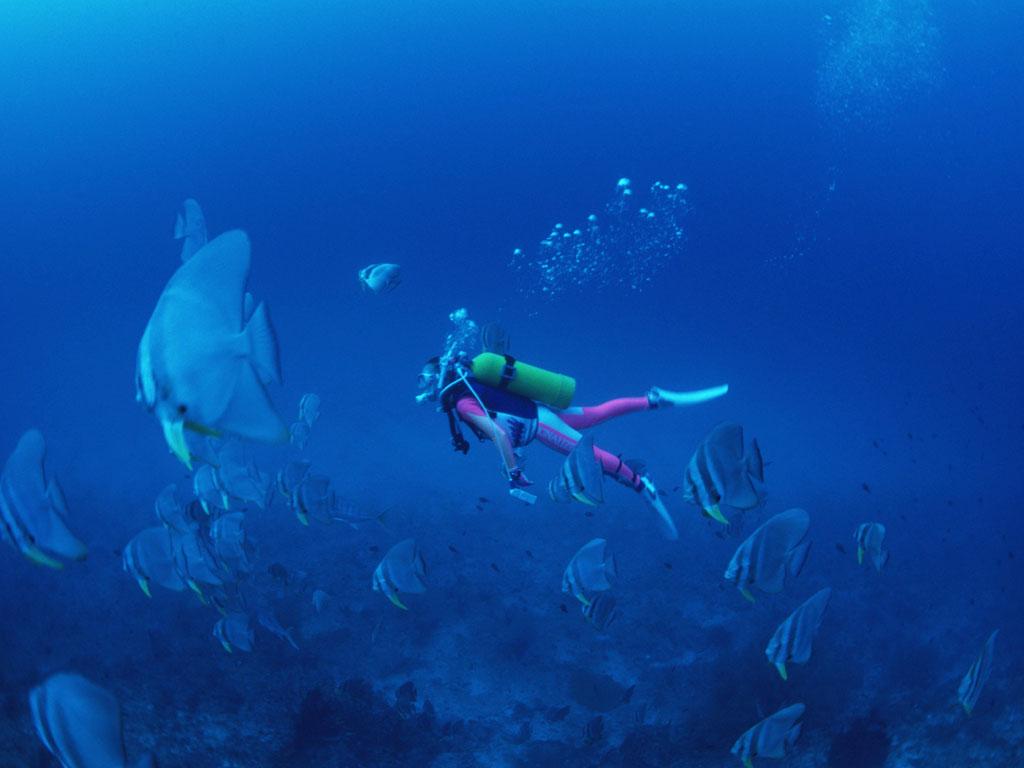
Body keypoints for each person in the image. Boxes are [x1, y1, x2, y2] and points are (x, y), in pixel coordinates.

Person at [416, 353, 727, 538]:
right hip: (540, 413)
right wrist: (514, 457)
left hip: (541, 425)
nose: (424, 387)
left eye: (426, 380)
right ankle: (654, 399)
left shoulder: (462, 403)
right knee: (597, 412)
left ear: (440, 377)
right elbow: (503, 419)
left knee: (588, 457)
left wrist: (513, 473)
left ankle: (640, 483)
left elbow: (498, 433)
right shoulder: (468, 390)